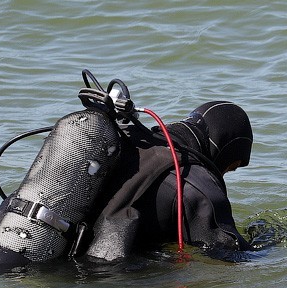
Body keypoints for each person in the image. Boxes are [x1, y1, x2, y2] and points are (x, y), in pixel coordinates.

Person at [85, 101, 253, 261]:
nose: (221, 177)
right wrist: (263, 236)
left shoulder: (127, 139)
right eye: (228, 168)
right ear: (223, 152)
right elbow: (232, 257)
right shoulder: (198, 189)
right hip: (114, 276)